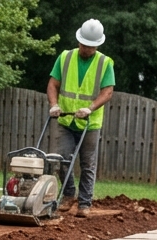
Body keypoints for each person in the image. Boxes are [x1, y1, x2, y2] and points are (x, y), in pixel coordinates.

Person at [46, 19, 115, 217]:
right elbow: (53, 84)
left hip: (90, 122)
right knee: (62, 159)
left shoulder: (105, 63)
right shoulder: (65, 58)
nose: (86, 49)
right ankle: (68, 195)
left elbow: (107, 92)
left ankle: (85, 204)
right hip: (66, 120)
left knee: (88, 163)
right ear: (78, 41)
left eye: (91, 46)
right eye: (84, 45)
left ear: (97, 45)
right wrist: (54, 105)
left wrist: (90, 108)